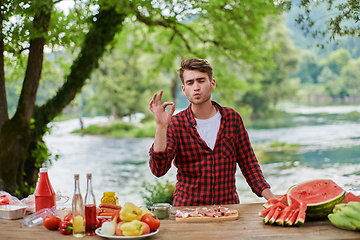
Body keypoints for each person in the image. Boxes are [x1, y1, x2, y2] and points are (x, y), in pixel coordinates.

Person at [148, 57, 276, 206]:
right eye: (190, 83)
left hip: (227, 210)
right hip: (187, 211)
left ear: (212, 83)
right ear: (184, 89)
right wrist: (161, 127)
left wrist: (271, 198)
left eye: (201, 81)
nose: (196, 87)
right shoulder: (176, 124)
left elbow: (249, 164)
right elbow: (158, 170)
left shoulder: (232, 119)